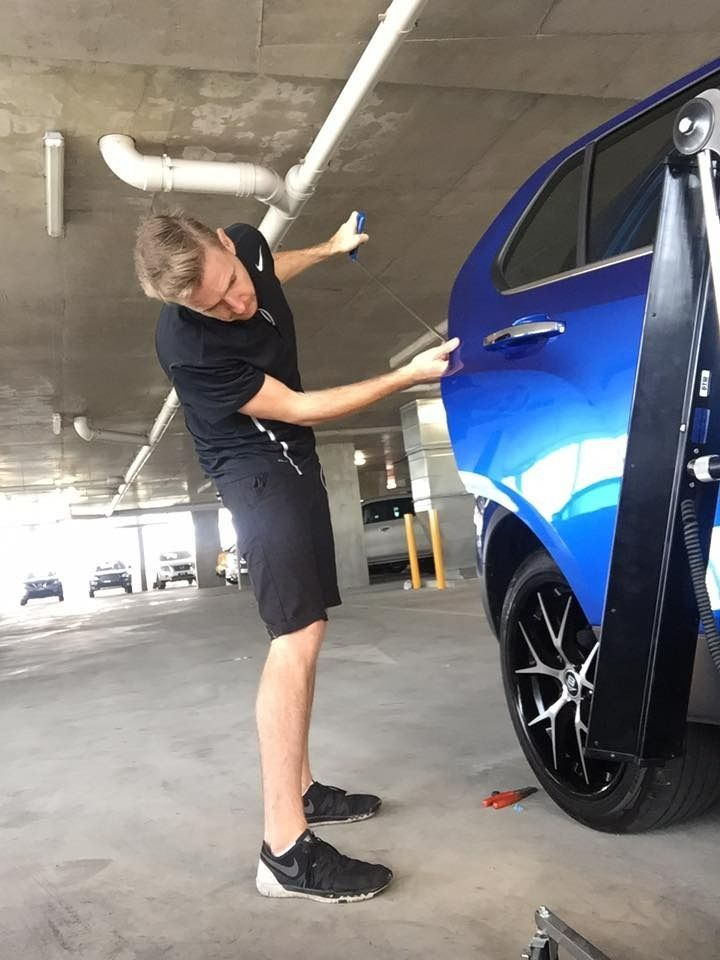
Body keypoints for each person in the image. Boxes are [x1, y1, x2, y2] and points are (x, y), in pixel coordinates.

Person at [134, 210, 460, 903]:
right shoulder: (190, 349)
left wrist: (332, 248)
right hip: (253, 465)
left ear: (225, 245)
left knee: (313, 624)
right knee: (297, 633)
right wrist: (405, 377)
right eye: (211, 305)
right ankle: (283, 850)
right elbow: (303, 407)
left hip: (294, 458)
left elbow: (268, 269)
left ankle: (305, 790)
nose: (233, 303)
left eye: (227, 282)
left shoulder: (246, 247)